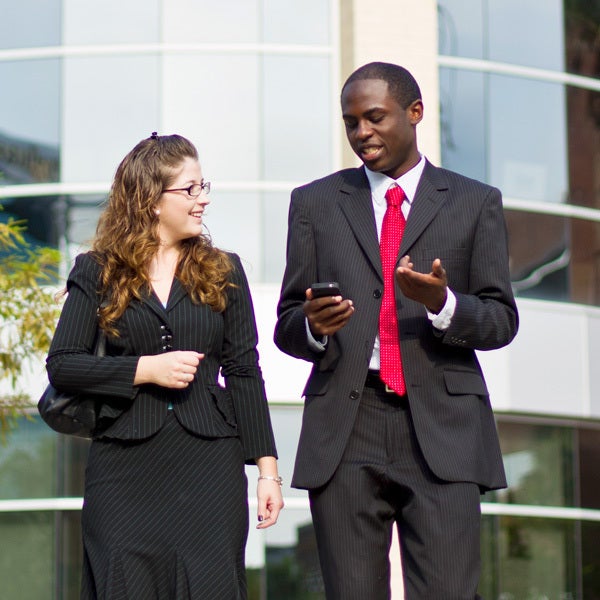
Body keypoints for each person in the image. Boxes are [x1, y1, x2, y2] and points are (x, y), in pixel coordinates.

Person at [274, 62, 518, 599]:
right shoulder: (314, 203)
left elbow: (502, 319)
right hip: (347, 425)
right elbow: (287, 323)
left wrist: (445, 305)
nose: (362, 133)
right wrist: (312, 328)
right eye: (351, 122)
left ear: (415, 113)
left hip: (443, 429)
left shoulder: (476, 202)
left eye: (375, 118)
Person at [46, 133, 283, 599]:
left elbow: (244, 371)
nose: (203, 199)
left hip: (209, 467)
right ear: (152, 199)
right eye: (190, 189)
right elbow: (63, 364)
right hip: (123, 469)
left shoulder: (225, 269)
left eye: (203, 186)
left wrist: (267, 472)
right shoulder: (95, 270)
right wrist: (143, 370)